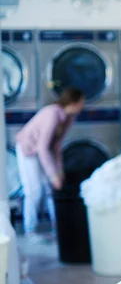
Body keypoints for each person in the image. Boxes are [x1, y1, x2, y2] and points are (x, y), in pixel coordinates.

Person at [15, 87, 85, 235]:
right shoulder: (52, 114)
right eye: (81, 102)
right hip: (27, 149)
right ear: (73, 102)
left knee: (50, 190)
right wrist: (53, 175)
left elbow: (56, 147)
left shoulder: (68, 118)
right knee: (34, 190)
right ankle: (30, 230)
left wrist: (59, 172)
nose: (83, 106)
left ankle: (58, 226)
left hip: (42, 151)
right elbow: (42, 147)